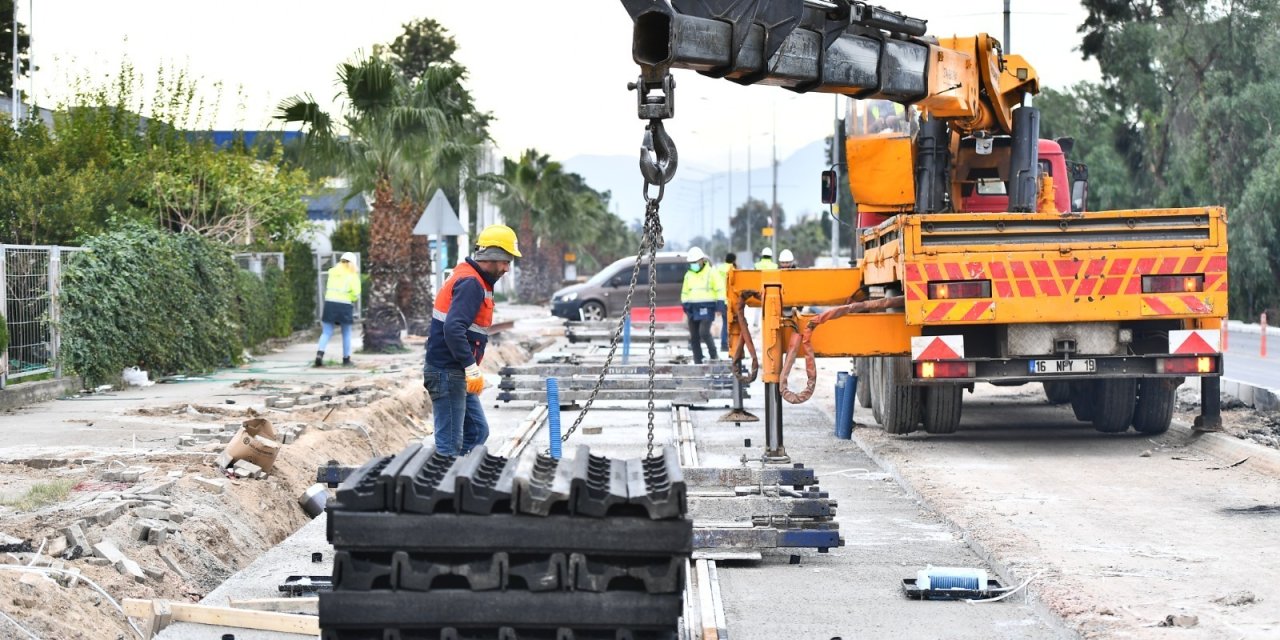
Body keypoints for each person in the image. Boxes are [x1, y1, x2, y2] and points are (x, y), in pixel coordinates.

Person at [424, 224, 521, 456]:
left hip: (456, 371)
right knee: (449, 446)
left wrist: (468, 369)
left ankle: (458, 470)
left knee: (477, 431)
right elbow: (453, 328)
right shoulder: (471, 283)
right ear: (493, 256)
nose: (507, 268)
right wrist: (471, 367)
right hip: (448, 372)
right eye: (505, 261)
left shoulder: (472, 277)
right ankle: (444, 474)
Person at [316, 252, 361, 367]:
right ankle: (346, 359)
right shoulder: (352, 275)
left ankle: (319, 354)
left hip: (330, 303)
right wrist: (351, 298)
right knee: (346, 333)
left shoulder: (332, 272)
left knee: (326, 332)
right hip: (344, 305)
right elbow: (356, 293)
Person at [681, 247, 721, 364]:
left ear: (702, 260)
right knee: (694, 336)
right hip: (692, 308)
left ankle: (713, 355)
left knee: (704, 332)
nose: (693, 264)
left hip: (707, 307)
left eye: (695, 262)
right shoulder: (688, 275)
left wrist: (720, 306)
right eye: (691, 262)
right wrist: (685, 306)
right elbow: (685, 292)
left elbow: (720, 290)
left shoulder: (712, 273)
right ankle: (698, 359)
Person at [716, 252, 736, 351]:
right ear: (734, 260)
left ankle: (724, 344)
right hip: (731, 300)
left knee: (725, 323)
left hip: (721, 299)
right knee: (733, 324)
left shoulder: (719, 268)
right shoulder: (733, 269)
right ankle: (733, 344)